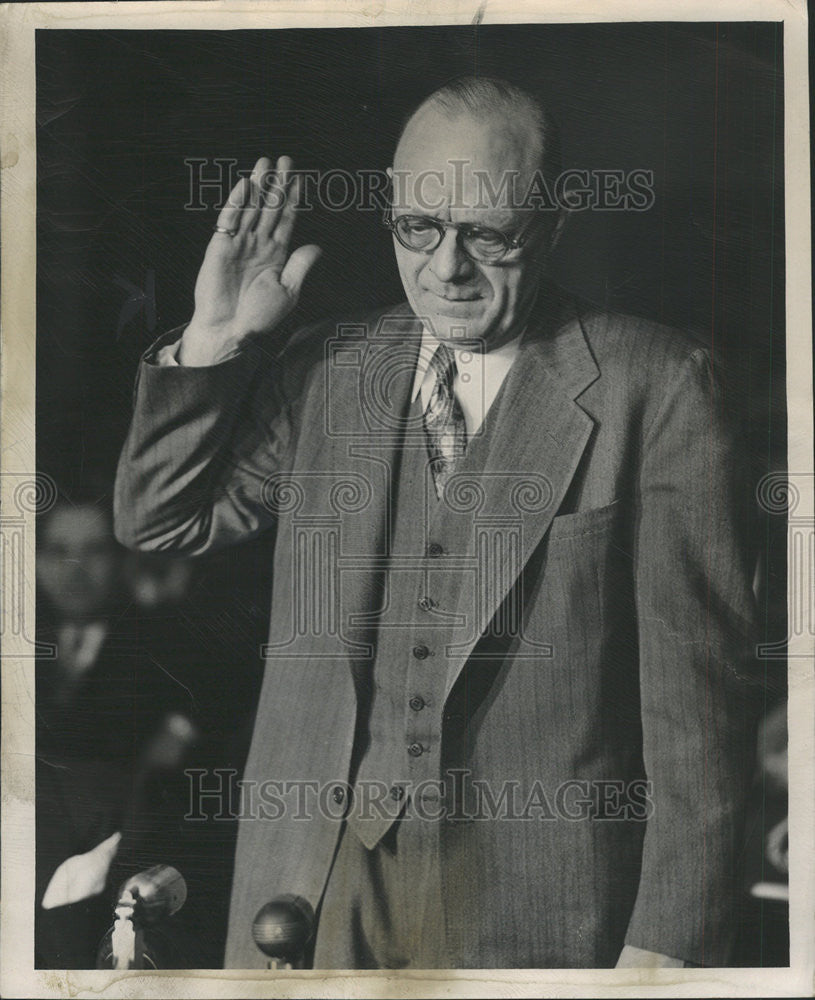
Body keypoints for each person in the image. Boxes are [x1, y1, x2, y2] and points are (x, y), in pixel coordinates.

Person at [114, 76, 762, 969]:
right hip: (311, 897)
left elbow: (699, 712)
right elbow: (159, 521)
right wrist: (214, 339)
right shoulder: (327, 368)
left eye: (487, 234)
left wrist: (666, 949)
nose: (445, 267)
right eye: (417, 228)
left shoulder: (655, 385)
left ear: (555, 222)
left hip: (540, 917)